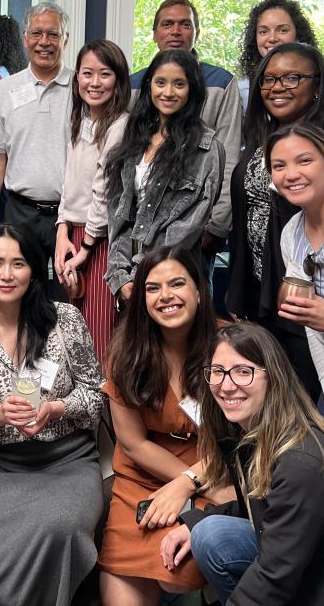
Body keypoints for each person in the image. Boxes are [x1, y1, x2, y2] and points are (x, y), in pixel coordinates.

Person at [0, 224, 104, 606]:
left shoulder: (64, 320)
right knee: (7, 585)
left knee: (61, 525)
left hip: (69, 458)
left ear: (34, 269)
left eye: (18, 263)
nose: (7, 274)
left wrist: (57, 408)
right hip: (5, 469)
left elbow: (96, 395)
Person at [160, 322, 324, 606]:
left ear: (273, 377)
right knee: (210, 533)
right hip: (303, 558)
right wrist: (196, 521)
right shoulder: (255, 433)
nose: (226, 385)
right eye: (218, 372)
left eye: (243, 372)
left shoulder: (302, 460)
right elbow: (269, 504)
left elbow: (275, 576)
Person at [99, 246, 228, 605]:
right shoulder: (125, 353)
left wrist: (192, 483)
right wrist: (182, 482)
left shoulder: (230, 345)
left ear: (199, 292)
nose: (166, 296)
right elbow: (133, 442)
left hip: (217, 464)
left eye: (177, 283)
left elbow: (248, 437)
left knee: (177, 575)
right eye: (152, 288)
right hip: (143, 471)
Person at [227, 42, 324, 398]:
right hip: (273, 293)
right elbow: (246, 217)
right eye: (269, 79)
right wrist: (239, 291)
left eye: (292, 77)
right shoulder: (262, 137)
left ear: (317, 84)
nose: (277, 87)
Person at [130, 0, 242, 268]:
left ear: (197, 32)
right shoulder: (135, 85)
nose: (176, 31)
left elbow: (228, 159)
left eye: (185, 24)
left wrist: (216, 226)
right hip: (140, 233)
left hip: (196, 234)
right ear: (155, 33)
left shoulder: (221, 83)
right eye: (167, 24)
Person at [106, 49, 225, 303]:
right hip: (129, 279)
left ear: (192, 89)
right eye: (161, 82)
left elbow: (186, 228)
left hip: (171, 278)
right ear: (149, 86)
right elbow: (120, 216)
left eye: (179, 84)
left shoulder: (207, 148)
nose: (168, 92)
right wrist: (120, 276)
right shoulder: (134, 139)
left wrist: (141, 276)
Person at [0, 2, 72, 289]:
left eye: (53, 35)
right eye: (37, 33)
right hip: (20, 212)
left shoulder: (83, 88)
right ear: (25, 39)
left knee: (69, 296)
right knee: (18, 294)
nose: (45, 42)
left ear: (65, 40)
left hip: (70, 216)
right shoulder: (3, 90)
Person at [54, 40, 130, 363]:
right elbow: (69, 182)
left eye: (105, 74)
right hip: (73, 234)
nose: (95, 83)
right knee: (72, 327)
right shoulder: (79, 119)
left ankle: (101, 413)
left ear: (119, 80)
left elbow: (104, 192)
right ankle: (76, 409)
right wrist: (61, 231)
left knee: (97, 334)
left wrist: (83, 249)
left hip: (99, 239)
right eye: (87, 74)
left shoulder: (120, 125)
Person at [267, 124, 324, 427]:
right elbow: (312, 322)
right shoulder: (292, 233)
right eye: (279, 166)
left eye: (304, 161)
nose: (290, 174)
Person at [237, 0, 324, 113]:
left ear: (298, 34)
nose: (272, 38)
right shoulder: (242, 88)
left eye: (283, 30)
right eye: (263, 31)